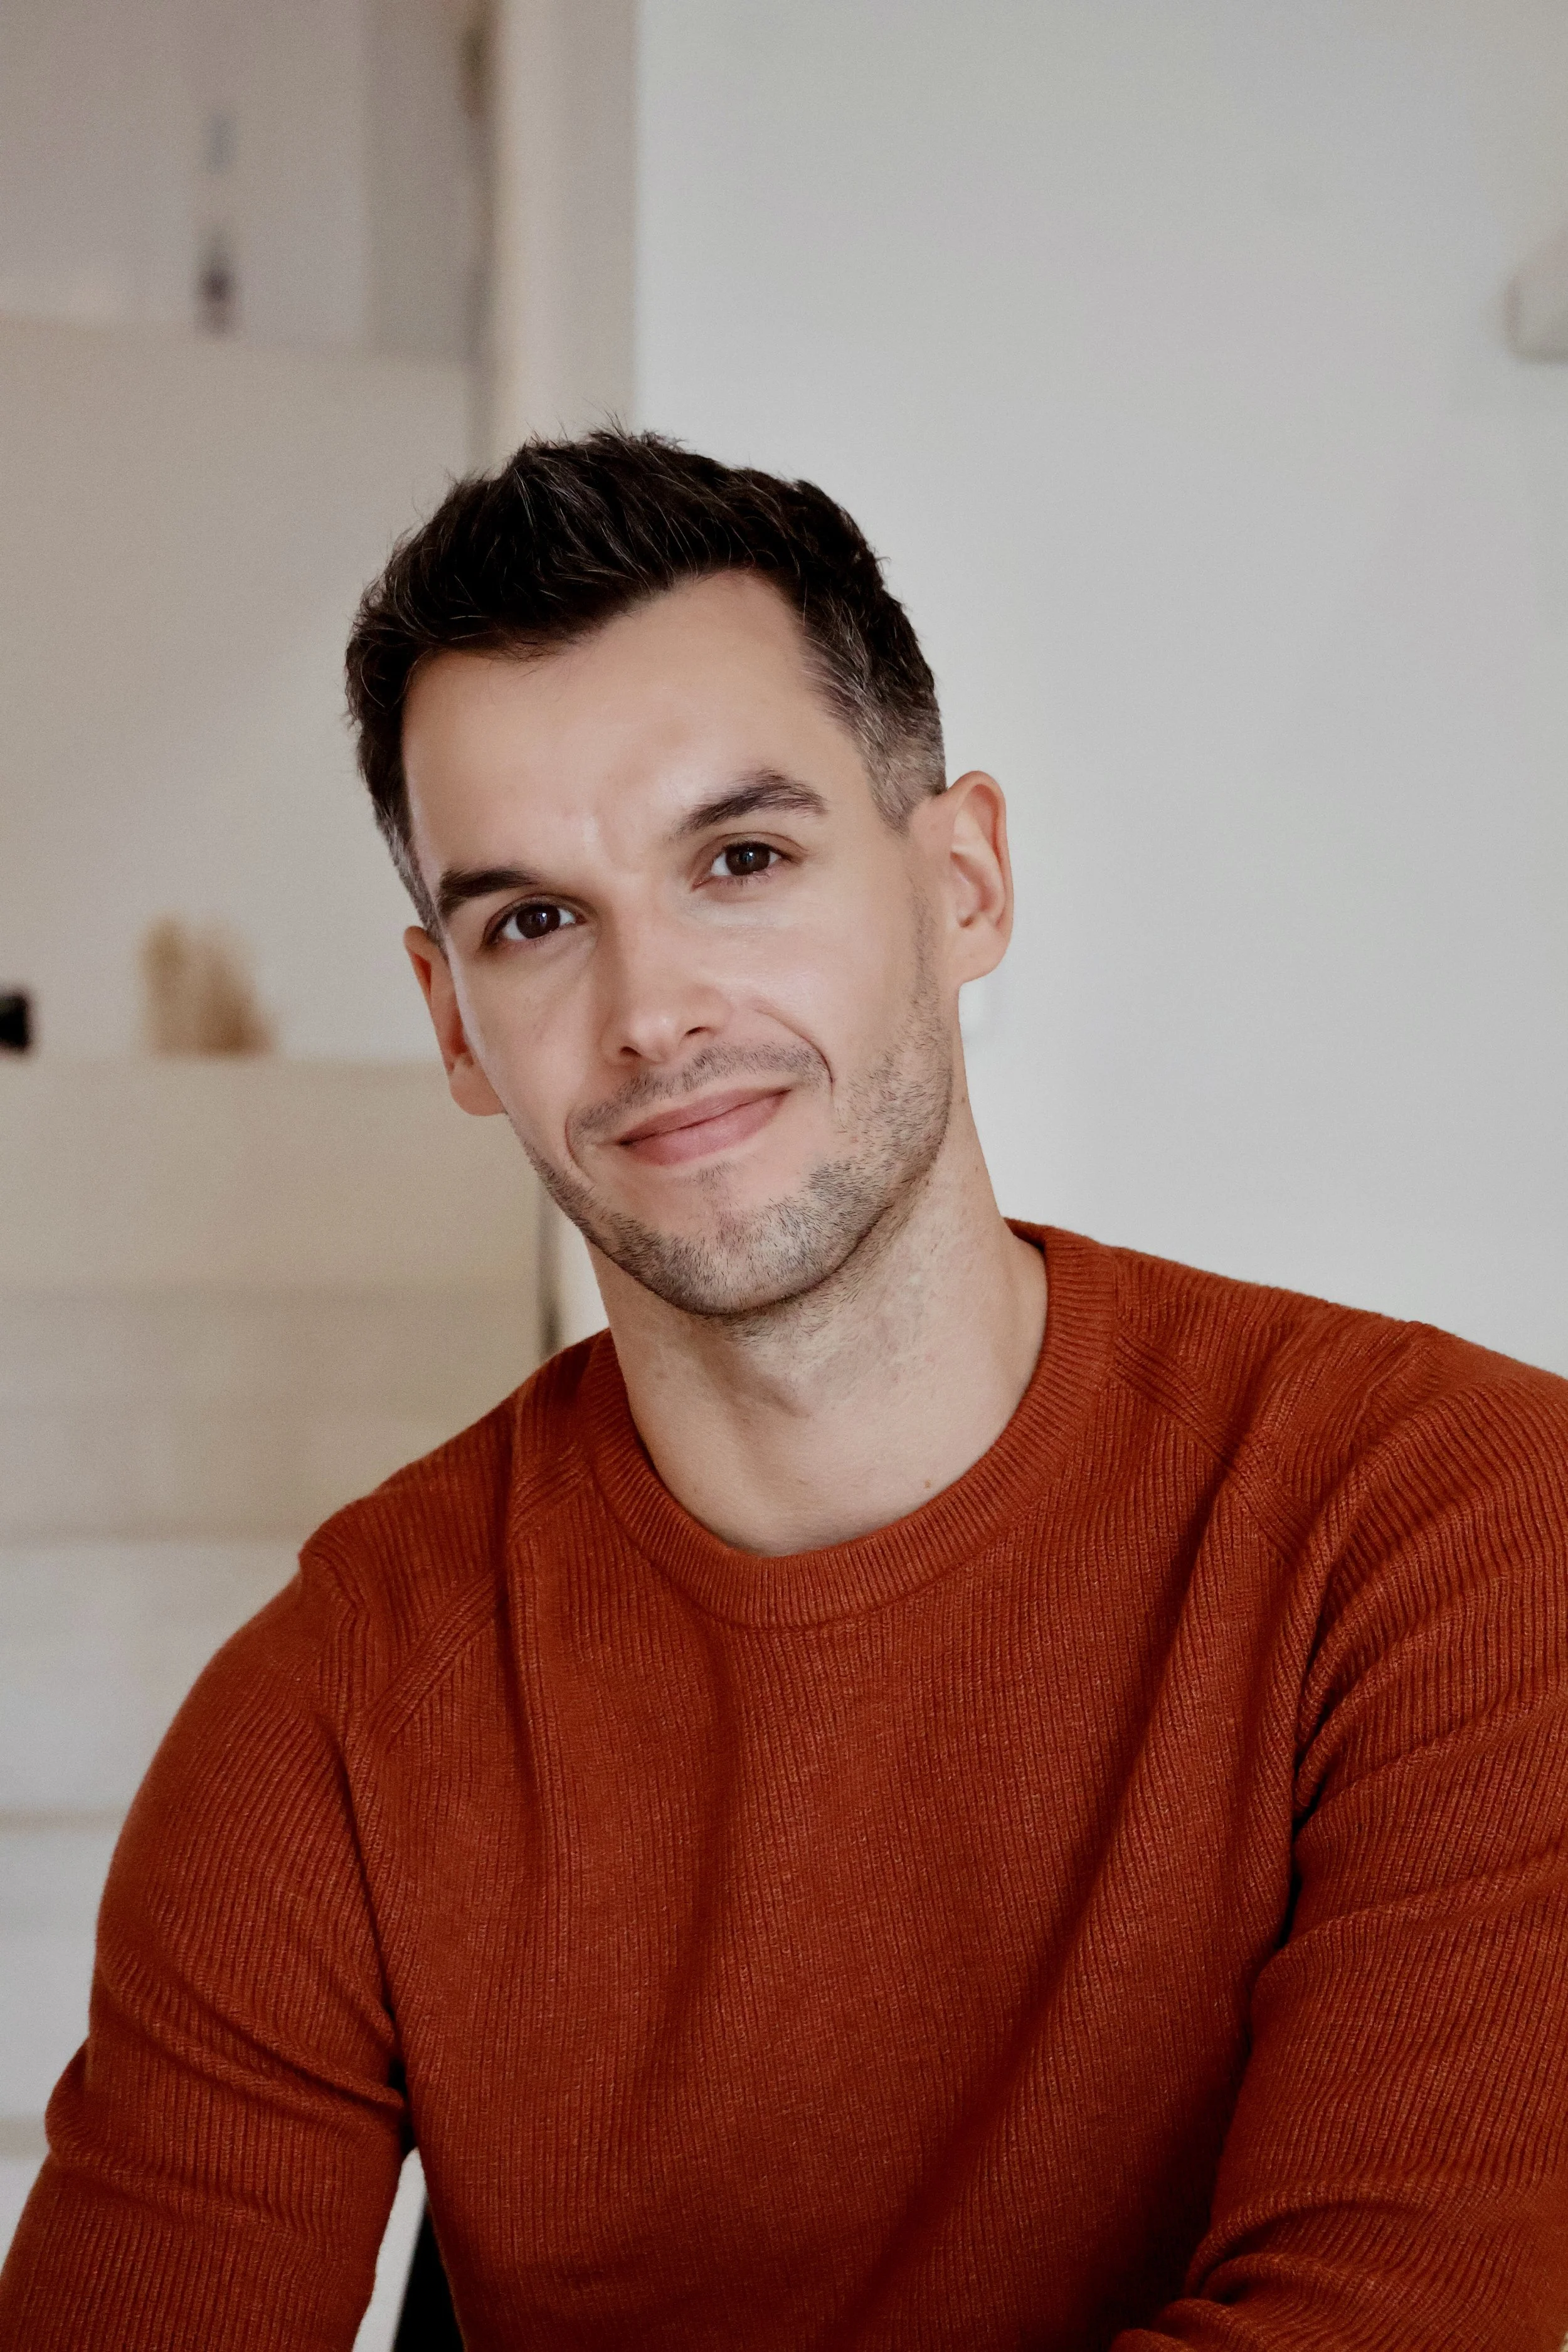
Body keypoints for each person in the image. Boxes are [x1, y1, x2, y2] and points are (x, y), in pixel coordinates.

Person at [4, 431, 1567, 2351]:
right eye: (534, 919)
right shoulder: (324, 1718)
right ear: (452, 1025)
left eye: (739, 859)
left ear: (963, 879)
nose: (652, 1009)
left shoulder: (1456, 1527)